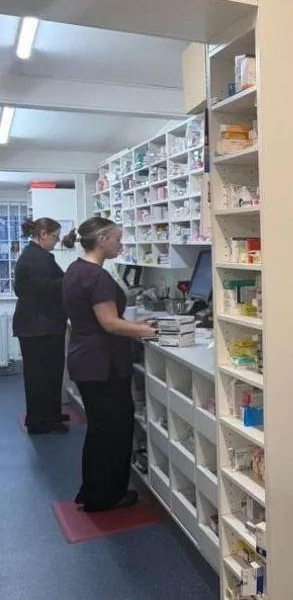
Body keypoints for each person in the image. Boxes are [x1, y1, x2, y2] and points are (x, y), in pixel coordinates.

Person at [62, 217, 156, 512]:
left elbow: (101, 319)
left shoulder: (76, 269)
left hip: (86, 358)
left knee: (100, 429)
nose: (121, 244)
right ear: (102, 240)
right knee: (113, 430)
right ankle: (105, 496)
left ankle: (92, 491)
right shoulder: (97, 277)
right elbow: (109, 323)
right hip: (102, 364)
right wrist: (145, 331)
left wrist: (132, 324)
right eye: (118, 238)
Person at [13, 218, 70, 435]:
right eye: (54, 237)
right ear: (43, 234)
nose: (56, 241)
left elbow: (26, 289)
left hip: (40, 324)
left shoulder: (36, 255)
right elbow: (46, 289)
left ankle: (51, 413)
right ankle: (40, 421)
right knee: (41, 376)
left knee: (50, 373)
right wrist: (71, 278)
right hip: (38, 326)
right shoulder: (37, 258)